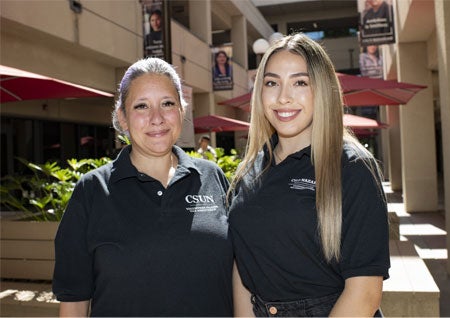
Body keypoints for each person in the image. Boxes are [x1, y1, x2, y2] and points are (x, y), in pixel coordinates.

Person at [52, 58, 233, 317]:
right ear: (122, 118)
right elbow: (74, 299)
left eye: (167, 104)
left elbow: (240, 276)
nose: (156, 118)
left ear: (182, 111)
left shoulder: (212, 177)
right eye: (141, 106)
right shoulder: (92, 190)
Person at [229, 33, 390, 317]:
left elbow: (365, 293)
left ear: (323, 91)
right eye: (272, 83)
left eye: (300, 82)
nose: (283, 97)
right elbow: (243, 265)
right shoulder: (250, 169)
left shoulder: (352, 167)